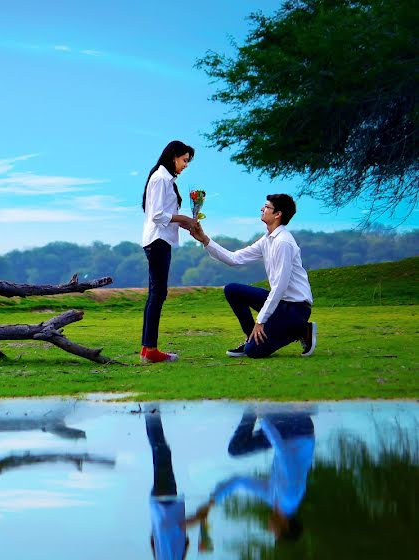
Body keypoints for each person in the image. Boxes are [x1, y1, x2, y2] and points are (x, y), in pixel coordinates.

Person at [188, 194, 317, 359]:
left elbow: (280, 287)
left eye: (267, 207)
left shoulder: (283, 242)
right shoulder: (267, 240)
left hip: (295, 309)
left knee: (253, 352)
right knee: (232, 290)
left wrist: (260, 321)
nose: (262, 209)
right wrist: (205, 240)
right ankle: (252, 337)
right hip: (280, 304)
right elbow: (234, 259)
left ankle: (302, 329)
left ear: (278, 214)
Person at [210, 408, 315, 542]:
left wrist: (213, 500)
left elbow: (240, 482)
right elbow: (283, 453)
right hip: (299, 431)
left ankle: (251, 410)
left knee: (236, 448)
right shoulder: (291, 496)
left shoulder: (272, 500)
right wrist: (264, 420)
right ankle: (257, 410)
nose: (269, 529)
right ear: (285, 526)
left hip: (285, 436)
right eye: (275, 533)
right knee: (267, 415)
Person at [140, 141, 200, 363]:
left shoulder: (166, 179)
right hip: (157, 241)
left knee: (156, 294)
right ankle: (150, 350)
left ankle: (147, 349)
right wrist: (183, 218)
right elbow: (156, 215)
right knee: (158, 294)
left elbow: (165, 215)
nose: (185, 165)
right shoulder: (161, 178)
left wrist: (187, 223)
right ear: (173, 156)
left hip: (161, 240)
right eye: (184, 160)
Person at [145, 409, 212, 559]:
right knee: (161, 452)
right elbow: (154, 538)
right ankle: (151, 413)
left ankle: (150, 411)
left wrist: (197, 518)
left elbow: (174, 527)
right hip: (164, 504)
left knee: (161, 451)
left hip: (165, 503)